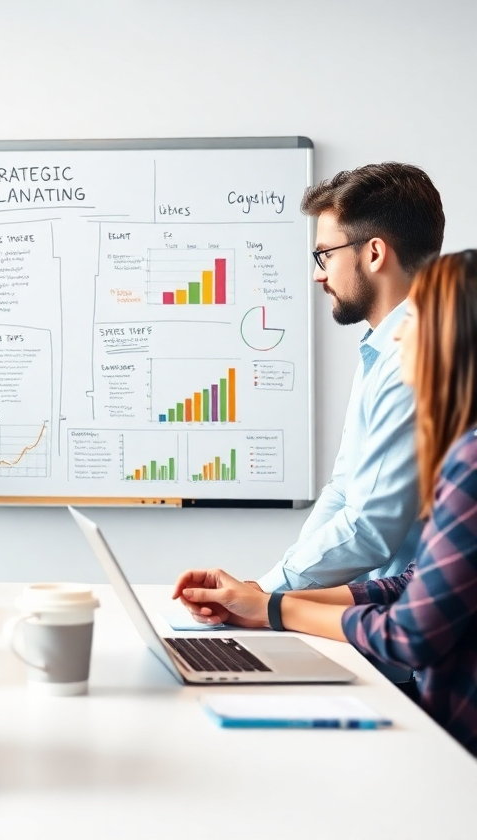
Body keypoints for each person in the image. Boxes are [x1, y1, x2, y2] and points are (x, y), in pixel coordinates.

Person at [174, 251, 477, 756]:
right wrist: (262, 604)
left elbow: (407, 635)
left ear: (452, 339)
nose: (398, 336)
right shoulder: (461, 452)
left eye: (414, 320)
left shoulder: (471, 461)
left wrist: (275, 607)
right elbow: (410, 583)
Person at [255, 163, 444, 593]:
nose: (318, 273)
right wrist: (271, 590)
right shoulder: (384, 345)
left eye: (326, 254)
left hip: (411, 619)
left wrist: (268, 596)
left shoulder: (417, 356)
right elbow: (344, 489)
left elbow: (370, 529)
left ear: (374, 253)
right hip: (367, 608)